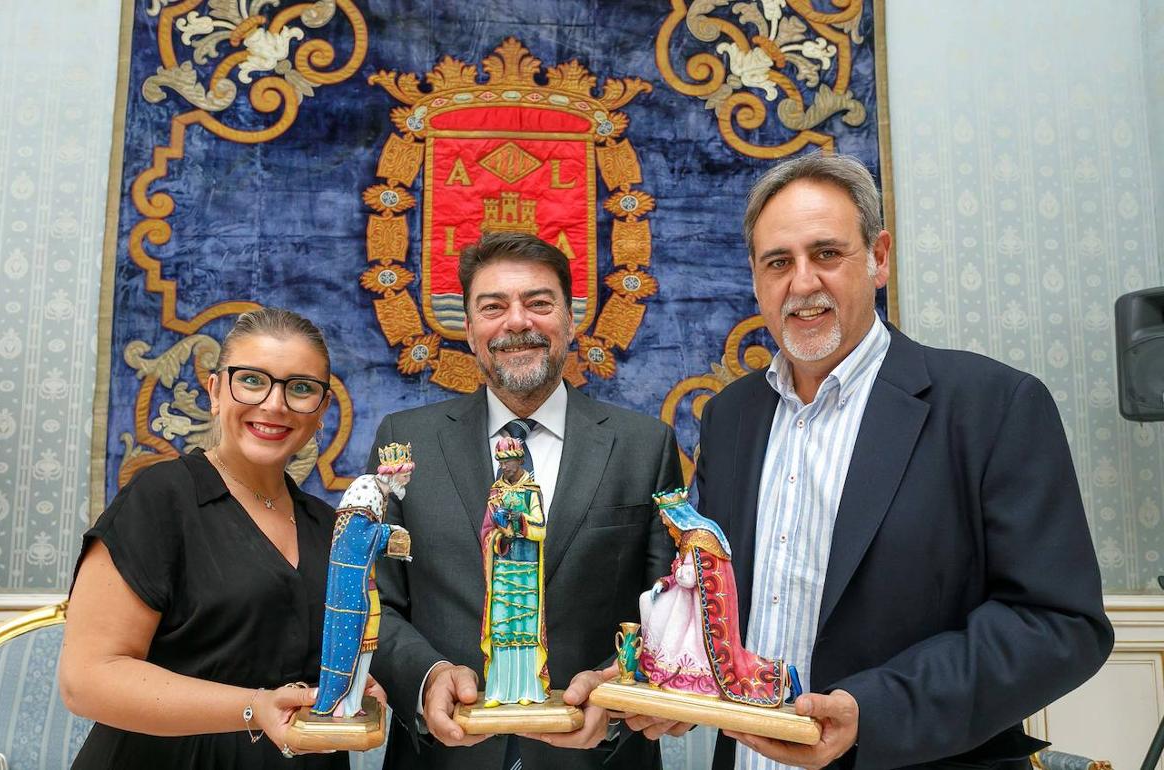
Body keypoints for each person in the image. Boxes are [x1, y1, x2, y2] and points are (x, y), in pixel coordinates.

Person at [694, 153, 1113, 770]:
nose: (802, 283)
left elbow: (1059, 624)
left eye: (827, 254)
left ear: (879, 258)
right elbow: (714, 601)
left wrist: (874, 712)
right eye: (778, 262)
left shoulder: (992, 406)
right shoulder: (731, 417)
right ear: (756, 279)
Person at [367, 231, 685, 770]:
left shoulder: (644, 446)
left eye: (539, 303)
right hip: (442, 756)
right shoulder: (404, 441)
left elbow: (668, 606)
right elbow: (380, 602)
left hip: (598, 755)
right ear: (468, 330)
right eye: (493, 307)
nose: (517, 322)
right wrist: (426, 679)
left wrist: (615, 689)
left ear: (570, 320)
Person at [59, 307, 377, 769]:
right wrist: (252, 708)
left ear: (321, 411)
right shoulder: (161, 498)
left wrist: (355, 686)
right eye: (252, 380)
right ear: (215, 391)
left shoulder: (332, 527)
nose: (274, 404)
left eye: (301, 389)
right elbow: (86, 680)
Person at [637, 488, 787, 707]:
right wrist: (666, 581)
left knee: (670, 623)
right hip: (684, 599)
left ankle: (676, 672)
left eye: (667, 522)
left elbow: (691, 577)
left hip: (698, 610)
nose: (667, 527)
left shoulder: (700, 538)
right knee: (647, 601)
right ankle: (654, 664)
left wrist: (678, 571)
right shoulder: (687, 537)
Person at [312, 443, 413, 718]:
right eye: (405, 476)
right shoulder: (367, 489)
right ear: (394, 473)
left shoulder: (381, 493)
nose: (407, 481)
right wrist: (389, 533)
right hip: (350, 584)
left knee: (366, 641)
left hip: (362, 580)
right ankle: (341, 703)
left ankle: (353, 703)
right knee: (352, 643)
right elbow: (356, 537)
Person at [480, 437, 549, 707]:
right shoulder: (495, 492)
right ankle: (498, 689)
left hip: (527, 568)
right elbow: (486, 531)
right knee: (501, 627)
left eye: (508, 461)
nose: (504, 466)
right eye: (500, 461)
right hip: (502, 567)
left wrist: (517, 521)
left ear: (520, 460)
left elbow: (540, 528)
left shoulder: (531, 491)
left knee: (525, 627)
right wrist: (499, 533)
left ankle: (528, 688)